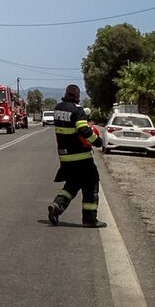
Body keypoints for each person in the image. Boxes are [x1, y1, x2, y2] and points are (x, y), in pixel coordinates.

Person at [47, 84, 105, 228]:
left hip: (65, 157)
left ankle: (56, 206)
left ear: (66, 93)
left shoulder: (58, 108)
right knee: (91, 183)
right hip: (81, 156)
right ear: (78, 96)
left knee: (73, 184)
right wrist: (97, 141)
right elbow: (83, 129)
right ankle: (89, 219)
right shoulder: (77, 110)